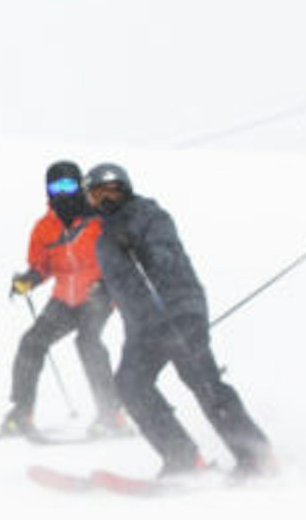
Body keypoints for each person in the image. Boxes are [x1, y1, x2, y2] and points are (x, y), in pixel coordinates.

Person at [82, 162, 274, 478]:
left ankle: (256, 456)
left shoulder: (148, 215)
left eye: (111, 192)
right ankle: (182, 457)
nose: (105, 201)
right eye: (96, 195)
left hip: (176, 310)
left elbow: (166, 252)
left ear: (125, 189)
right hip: (142, 325)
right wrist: (101, 290)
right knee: (130, 385)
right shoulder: (104, 238)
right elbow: (121, 278)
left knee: (202, 380)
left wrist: (141, 245)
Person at [0, 160, 127, 438]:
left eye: (68, 185)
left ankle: (111, 413)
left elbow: (121, 252)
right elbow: (42, 266)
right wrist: (27, 282)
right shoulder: (44, 228)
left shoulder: (99, 218)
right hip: (65, 298)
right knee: (32, 343)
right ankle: (22, 411)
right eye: (55, 186)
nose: (62, 192)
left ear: (80, 184)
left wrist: (108, 285)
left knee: (87, 341)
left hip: (98, 293)